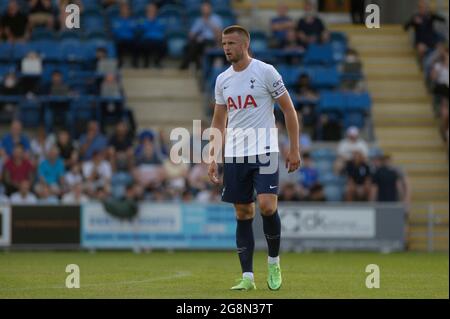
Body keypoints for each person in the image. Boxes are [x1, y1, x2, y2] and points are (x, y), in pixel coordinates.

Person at [208, 25, 301, 291]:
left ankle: (273, 262)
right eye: (224, 43)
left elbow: (289, 110)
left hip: (266, 150)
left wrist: (294, 149)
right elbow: (218, 120)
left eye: (232, 43)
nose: (226, 47)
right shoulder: (222, 79)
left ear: (245, 45)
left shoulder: (265, 71)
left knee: (267, 207)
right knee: (243, 211)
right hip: (235, 154)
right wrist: (213, 156)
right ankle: (247, 277)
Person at [179, 1, 223, 70]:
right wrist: (196, 32)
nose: (205, 10)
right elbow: (191, 35)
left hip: (211, 41)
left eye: (206, 8)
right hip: (199, 41)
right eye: (203, 9)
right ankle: (196, 66)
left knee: (194, 46)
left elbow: (219, 35)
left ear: (210, 9)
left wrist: (209, 22)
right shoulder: (199, 20)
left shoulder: (216, 18)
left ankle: (186, 65)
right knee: (188, 46)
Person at [138, 3, 167, 68]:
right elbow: (140, 29)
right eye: (150, 10)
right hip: (147, 39)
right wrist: (149, 21)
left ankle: (157, 61)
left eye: (153, 10)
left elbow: (163, 28)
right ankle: (146, 62)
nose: (152, 11)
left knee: (164, 45)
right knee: (143, 44)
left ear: (156, 11)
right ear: (147, 11)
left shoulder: (161, 20)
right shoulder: (142, 20)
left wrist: (154, 20)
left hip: (159, 40)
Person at [111, 2, 138, 68]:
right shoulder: (116, 20)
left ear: (129, 11)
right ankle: (119, 63)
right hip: (120, 40)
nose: (125, 11)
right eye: (123, 9)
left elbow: (136, 30)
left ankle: (134, 63)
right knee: (117, 44)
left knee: (137, 44)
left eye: (126, 9)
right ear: (120, 10)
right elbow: (114, 31)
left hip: (130, 39)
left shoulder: (133, 20)